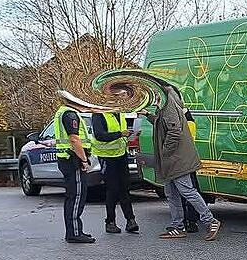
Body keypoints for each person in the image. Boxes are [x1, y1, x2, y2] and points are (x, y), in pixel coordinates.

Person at [145, 86, 221, 240]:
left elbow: (174, 131)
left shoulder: (169, 106)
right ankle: (177, 226)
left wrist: (165, 152)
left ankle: (210, 221)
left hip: (177, 159)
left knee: (187, 190)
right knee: (171, 193)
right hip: (172, 160)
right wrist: (147, 115)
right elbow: (162, 125)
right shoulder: (164, 106)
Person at [53, 90, 94, 244]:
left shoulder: (62, 112)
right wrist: (84, 160)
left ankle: (74, 230)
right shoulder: (70, 114)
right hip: (72, 160)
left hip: (68, 159)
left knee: (73, 196)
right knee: (77, 197)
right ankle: (74, 233)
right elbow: (74, 139)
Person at [91, 110, 139, 234]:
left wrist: (130, 135)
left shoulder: (120, 113)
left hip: (121, 155)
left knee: (124, 188)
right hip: (106, 156)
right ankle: (110, 222)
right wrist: (120, 134)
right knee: (112, 189)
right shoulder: (99, 114)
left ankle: (130, 220)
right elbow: (100, 135)